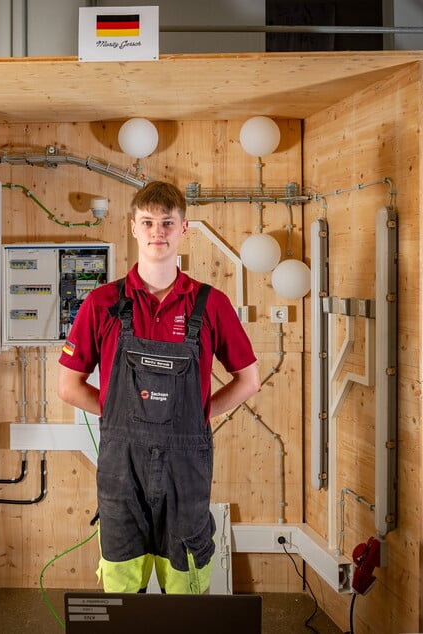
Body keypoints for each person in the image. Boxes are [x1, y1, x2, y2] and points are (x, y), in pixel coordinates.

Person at [57, 180, 260, 595]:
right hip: (121, 465)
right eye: (148, 222)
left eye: (168, 222)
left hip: (185, 466)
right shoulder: (102, 303)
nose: (158, 232)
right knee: (121, 579)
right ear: (133, 227)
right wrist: (117, 412)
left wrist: (199, 413)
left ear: (183, 229)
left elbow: (249, 380)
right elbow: (68, 386)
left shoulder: (210, 304)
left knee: (185, 581)